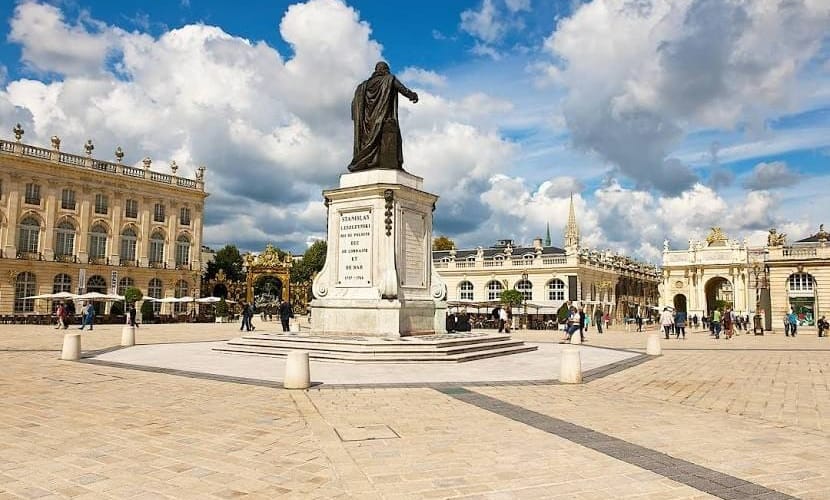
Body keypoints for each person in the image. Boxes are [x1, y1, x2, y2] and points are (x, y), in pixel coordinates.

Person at [348, 61, 419, 172]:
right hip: (383, 119)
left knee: (372, 143)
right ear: (385, 69)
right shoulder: (389, 79)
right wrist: (413, 95)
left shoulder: (362, 87)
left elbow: (354, 105)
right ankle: (381, 162)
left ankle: (367, 162)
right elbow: (403, 89)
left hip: (367, 124)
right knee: (386, 141)